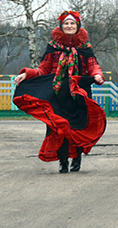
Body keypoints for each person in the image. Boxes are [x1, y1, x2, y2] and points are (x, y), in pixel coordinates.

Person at [13, 11, 106, 173]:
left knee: (78, 126)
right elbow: (43, 69)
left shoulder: (85, 47)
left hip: (79, 91)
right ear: (61, 26)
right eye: (66, 24)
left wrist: (97, 75)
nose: (69, 26)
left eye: (72, 23)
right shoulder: (53, 46)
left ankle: (76, 159)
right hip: (58, 93)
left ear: (77, 26)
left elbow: (92, 64)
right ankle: (63, 161)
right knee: (60, 126)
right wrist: (26, 74)